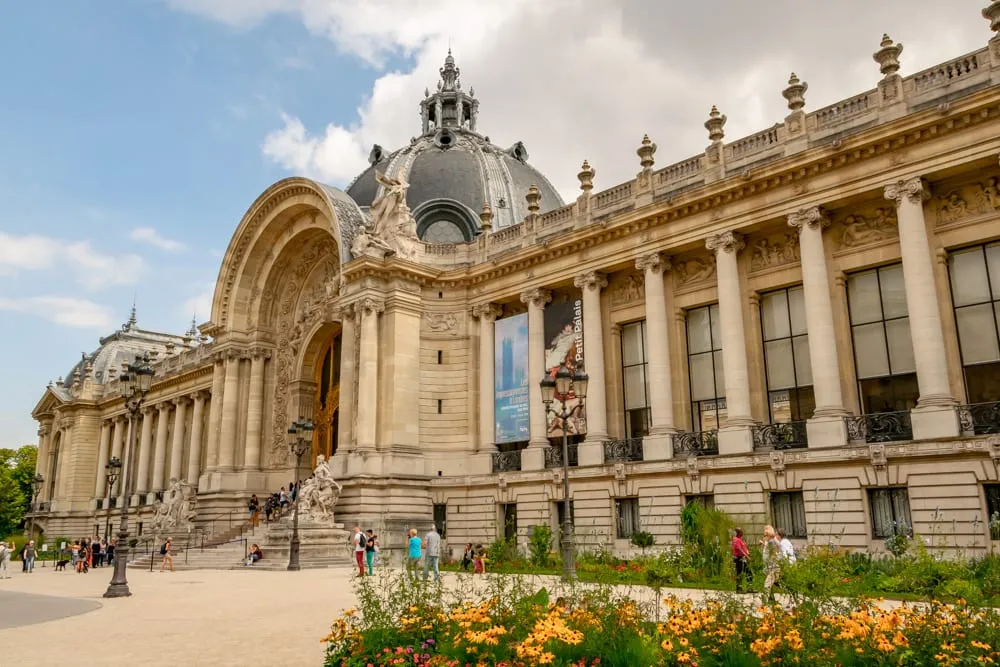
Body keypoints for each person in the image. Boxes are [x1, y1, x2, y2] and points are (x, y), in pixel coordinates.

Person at [762, 525, 781, 600]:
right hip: (771, 566)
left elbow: (773, 554)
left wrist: (771, 566)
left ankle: (765, 601)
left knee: (767, 584)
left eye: (765, 535)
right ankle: (771, 598)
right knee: (771, 583)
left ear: (769, 534)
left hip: (772, 567)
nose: (764, 536)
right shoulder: (771, 541)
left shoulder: (771, 542)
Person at [732, 527, 751, 593]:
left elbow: (744, 548)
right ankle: (739, 589)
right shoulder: (736, 540)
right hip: (739, 559)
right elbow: (740, 549)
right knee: (741, 574)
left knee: (746, 573)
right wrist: (747, 557)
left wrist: (748, 554)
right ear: (737, 533)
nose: (742, 532)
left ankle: (748, 588)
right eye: (740, 531)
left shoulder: (739, 539)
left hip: (742, 558)